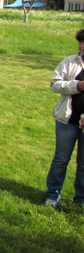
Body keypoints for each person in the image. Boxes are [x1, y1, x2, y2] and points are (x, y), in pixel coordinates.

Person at [44, 29, 84, 209]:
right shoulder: (69, 62)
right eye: (82, 42)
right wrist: (77, 85)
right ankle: (52, 194)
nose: (83, 46)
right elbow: (55, 84)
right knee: (61, 158)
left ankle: (80, 198)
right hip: (66, 121)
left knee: (83, 162)